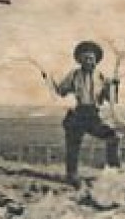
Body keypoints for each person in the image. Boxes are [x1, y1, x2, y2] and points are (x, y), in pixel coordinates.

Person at [43, 40, 120, 185]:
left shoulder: (102, 77)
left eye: (91, 59)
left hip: (93, 115)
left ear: (96, 60)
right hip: (78, 114)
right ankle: (71, 175)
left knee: (113, 137)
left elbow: (111, 100)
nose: (89, 61)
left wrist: (114, 86)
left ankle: (113, 173)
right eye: (85, 58)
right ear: (80, 60)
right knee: (73, 144)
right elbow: (60, 92)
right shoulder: (74, 75)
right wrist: (49, 80)